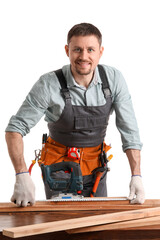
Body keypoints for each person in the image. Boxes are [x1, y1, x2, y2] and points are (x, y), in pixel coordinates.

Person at [5, 23, 145, 207]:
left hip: (96, 169)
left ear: (100, 52)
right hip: (59, 170)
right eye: (77, 49)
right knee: (61, 228)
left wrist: (136, 174)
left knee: (97, 225)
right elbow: (14, 129)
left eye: (90, 50)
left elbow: (129, 129)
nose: (84, 56)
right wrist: (21, 174)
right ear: (67, 50)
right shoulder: (48, 84)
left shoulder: (113, 79)